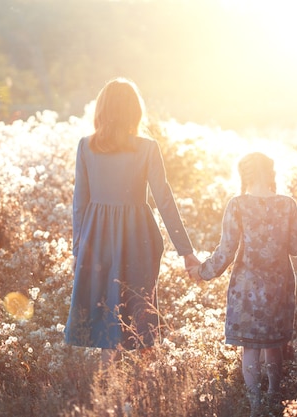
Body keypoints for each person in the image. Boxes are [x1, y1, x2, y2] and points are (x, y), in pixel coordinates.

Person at [65, 77, 200, 367]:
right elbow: (164, 199)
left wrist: (78, 249)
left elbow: (80, 203)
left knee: (106, 316)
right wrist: (186, 252)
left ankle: (108, 391)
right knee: (142, 311)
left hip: (97, 237)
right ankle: (146, 387)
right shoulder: (147, 147)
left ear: (102, 109)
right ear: (134, 112)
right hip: (139, 237)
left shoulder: (86, 146)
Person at [188, 152, 297, 416]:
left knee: (250, 347)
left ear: (245, 175)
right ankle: (275, 399)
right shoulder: (288, 205)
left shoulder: (237, 205)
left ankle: (255, 407)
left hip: (247, 287)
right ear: (271, 173)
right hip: (280, 285)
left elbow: (226, 251)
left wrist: (201, 272)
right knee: (274, 344)